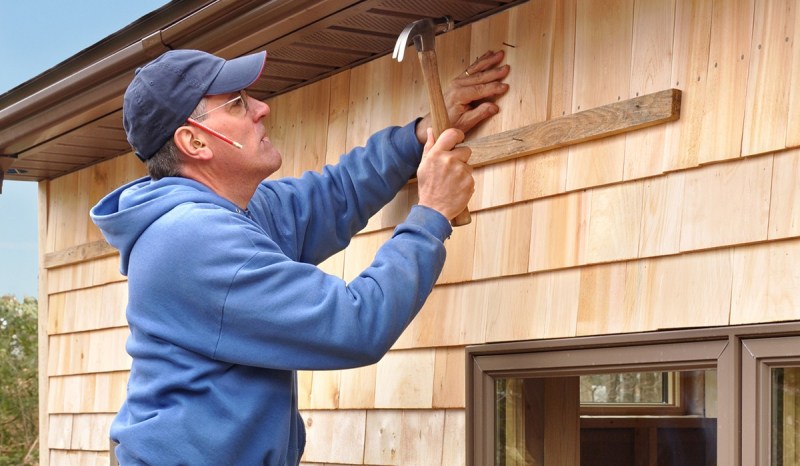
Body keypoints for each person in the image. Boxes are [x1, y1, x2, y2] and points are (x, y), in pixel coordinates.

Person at [90, 47, 509, 465]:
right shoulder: (196, 240)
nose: (261, 108)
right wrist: (432, 212)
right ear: (195, 141)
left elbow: (333, 196)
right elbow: (355, 324)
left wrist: (420, 134)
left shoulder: (230, 213)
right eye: (237, 104)